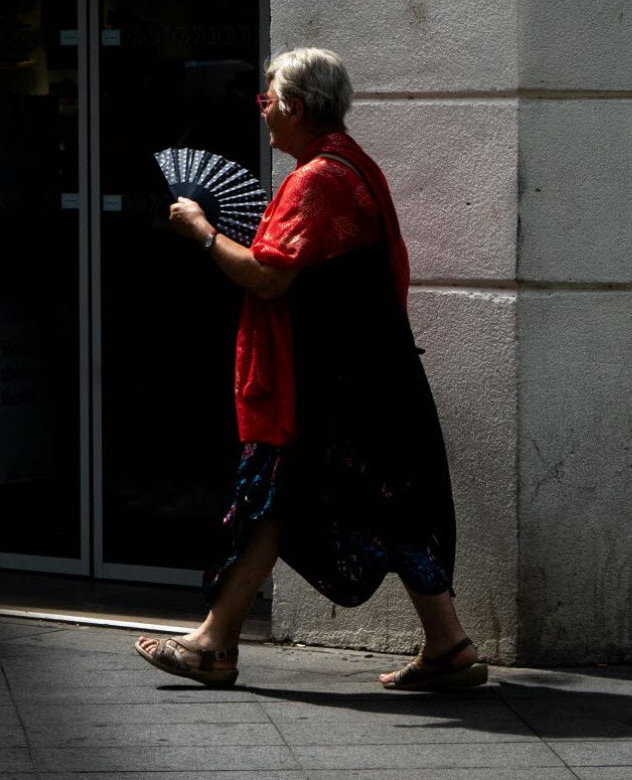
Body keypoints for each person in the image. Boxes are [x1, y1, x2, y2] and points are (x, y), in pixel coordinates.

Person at [135, 47, 487, 691]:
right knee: (378, 504)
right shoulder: (355, 165)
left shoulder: (318, 179)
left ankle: (214, 645)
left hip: (325, 385)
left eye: (267, 101)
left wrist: (204, 232)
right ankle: (448, 645)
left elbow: (269, 279)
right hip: (366, 377)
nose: (263, 113)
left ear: (294, 107)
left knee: (274, 498)